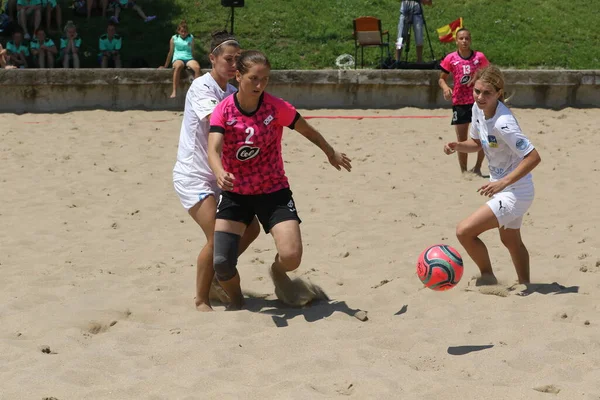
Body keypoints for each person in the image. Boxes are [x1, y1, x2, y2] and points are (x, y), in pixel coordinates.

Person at [207, 50, 352, 310]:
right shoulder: (224, 110)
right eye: (253, 79)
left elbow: (307, 129)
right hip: (236, 193)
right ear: (238, 76)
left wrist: (330, 152)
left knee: (292, 256)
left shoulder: (276, 107)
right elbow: (213, 149)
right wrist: (219, 171)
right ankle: (237, 300)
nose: (260, 85)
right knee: (222, 262)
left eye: (265, 79)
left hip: (273, 190)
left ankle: (277, 272)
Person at [173, 31, 261, 312]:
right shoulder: (201, 87)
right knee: (217, 237)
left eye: (238, 59)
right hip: (194, 174)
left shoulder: (233, 92)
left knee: (251, 228)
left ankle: (216, 271)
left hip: (221, 175)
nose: (234, 64)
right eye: (228, 59)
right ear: (212, 58)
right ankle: (201, 298)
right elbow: (218, 122)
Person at [443, 65, 541, 285]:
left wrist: (503, 182)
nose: (479, 97)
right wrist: (458, 145)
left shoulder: (504, 123)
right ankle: (525, 284)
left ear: (499, 93)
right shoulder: (478, 109)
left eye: (487, 93)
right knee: (511, 240)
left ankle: (487, 277)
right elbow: (477, 143)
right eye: (477, 91)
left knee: (464, 232)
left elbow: (534, 157)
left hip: (516, 192)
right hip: (503, 187)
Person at [439, 28, 489, 176]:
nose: (464, 41)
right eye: (461, 38)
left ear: (470, 40)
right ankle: (463, 171)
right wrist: (445, 87)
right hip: (459, 102)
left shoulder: (479, 57)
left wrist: (478, 77)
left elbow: (489, 73)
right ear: (456, 41)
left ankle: (478, 167)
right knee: (461, 139)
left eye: (467, 38)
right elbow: (441, 78)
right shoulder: (451, 58)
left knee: (482, 137)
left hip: (478, 102)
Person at [159, 20, 201, 99]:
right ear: (178, 31)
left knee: (197, 68)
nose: (183, 33)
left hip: (188, 58)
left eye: (185, 32)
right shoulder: (174, 38)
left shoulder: (191, 38)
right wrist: (165, 65)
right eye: (182, 31)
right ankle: (174, 90)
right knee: (178, 66)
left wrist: (194, 60)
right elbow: (170, 52)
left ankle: (196, 90)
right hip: (178, 58)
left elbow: (192, 51)